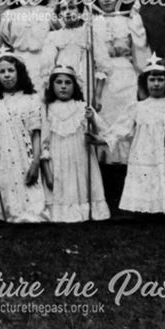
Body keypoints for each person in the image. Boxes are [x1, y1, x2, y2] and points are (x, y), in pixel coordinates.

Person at [96, 55, 165, 216]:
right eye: (152, 80)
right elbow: (120, 130)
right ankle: (145, 208)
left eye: (160, 80)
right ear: (145, 83)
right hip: (143, 158)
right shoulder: (137, 108)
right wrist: (101, 139)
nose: (156, 84)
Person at [83, 0, 149, 205]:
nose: (107, 0)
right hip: (100, 79)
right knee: (102, 122)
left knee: (124, 122)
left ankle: (125, 180)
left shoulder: (130, 19)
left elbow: (140, 52)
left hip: (124, 76)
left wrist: (142, 83)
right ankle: (104, 181)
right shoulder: (91, 21)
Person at [0, 49, 47, 223]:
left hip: (23, 152)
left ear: (19, 72)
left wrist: (36, 162)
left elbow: (36, 133)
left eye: (11, 71)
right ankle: (0, 212)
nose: (7, 75)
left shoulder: (31, 99)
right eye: (2, 71)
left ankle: (27, 213)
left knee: (25, 184)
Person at [41, 64, 110, 223]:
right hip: (57, 156)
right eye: (59, 82)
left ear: (75, 85)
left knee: (81, 182)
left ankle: (84, 210)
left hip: (79, 156)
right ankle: (59, 213)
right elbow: (44, 141)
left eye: (68, 82)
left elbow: (104, 132)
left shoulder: (83, 107)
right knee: (60, 184)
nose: (63, 86)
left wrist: (91, 119)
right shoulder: (46, 109)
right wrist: (46, 167)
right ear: (51, 85)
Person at [0, 0, 58, 85]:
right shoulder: (9, 15)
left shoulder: (48, 13)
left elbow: (57, 36)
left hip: (44, 62)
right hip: (19, 63)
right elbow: (5, 40)